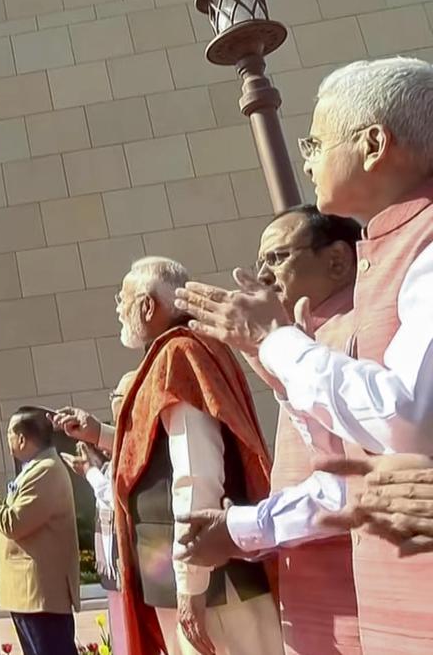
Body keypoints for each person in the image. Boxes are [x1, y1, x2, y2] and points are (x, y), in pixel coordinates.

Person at [175, 56, 433, 652]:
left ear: (373, 144)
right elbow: (353, 468)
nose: (310, 160)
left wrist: (275, 341)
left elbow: (406, 424)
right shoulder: (388, 259)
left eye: (315, 142)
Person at [55, 257, 283, 655]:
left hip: (214, 586)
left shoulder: (180, 354)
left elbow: (196, 473)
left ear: (147, 306)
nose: (117, 307)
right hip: (191, 576)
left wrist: (192, 586)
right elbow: (157, 446)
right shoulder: (177, 352)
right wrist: (97, 434)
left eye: (123, 298)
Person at [176, 206, 363, 654]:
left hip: (358, 589)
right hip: (313, 588)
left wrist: (242, 528)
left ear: (338, 261)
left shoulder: (358, 332)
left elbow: (350, 483)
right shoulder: (304, 340)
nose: (262, 276)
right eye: (260, 261)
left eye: (277, 258)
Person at [0, 407, 80, 655]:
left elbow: (13, 523)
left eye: (9, 433)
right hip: (28, 596)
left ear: (21, 439)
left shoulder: (46, 470)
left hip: (40, 596)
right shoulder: (35, 468)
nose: (7, 439)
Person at [61, 370, 138, 655]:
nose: (113, 399)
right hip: (114, 567)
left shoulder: (138, 443)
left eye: (117, 395)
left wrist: (89, 472)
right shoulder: (118, 447)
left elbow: (117, 496)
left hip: (135, 564)